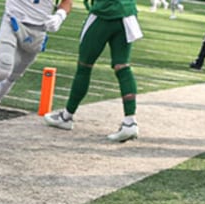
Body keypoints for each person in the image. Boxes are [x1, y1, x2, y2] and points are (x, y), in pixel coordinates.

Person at [0, 0, 74, 137]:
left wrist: (60, 15)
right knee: (2, 70)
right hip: (13, 21)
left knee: (12, 78)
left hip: (38, 30)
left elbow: (67, 2)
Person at [42, 0, 143, 140]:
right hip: (127, 13)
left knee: (84, 66)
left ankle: (67, 116)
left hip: (104, 12)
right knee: (123, 67)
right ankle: (130, 122)